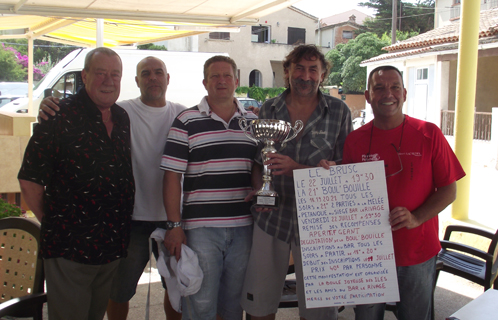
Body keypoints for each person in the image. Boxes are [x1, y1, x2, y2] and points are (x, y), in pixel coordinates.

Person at [38, 56, 185, 320]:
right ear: (137, 80)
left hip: (172, 220)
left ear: (167, 78)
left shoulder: (183, 115)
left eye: (158, 72)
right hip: (129, 220)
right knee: (117, 292)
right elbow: (84, 108)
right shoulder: (120, 111)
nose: (153, 77)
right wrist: (50, 104)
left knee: (175, 290)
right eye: (146, 73)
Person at [320, 65, 466, 320]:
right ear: (368, 96)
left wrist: (416, 218)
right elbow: (349, 195)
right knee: (366, 317)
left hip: (416, 250)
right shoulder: (355, 140)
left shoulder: (429, 133)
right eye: (379, 88)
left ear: (405, 93)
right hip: (368, 253)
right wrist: (331, 176)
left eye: (395, 87)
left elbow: (449, 190)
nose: (388, 93)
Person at [18, 47, 135, 320]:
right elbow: (29, 180)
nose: (108, 81)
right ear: (84, 76)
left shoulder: (121, 118)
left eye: (114, 74)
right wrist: (58, 223)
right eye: (100, 73)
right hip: (70, 249)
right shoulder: (58, 115)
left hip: (110, 247)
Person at [240, 44, 352, 320]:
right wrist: (259, 190)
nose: (305, 75)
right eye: (299, 68)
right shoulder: (270, 107)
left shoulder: (339, 111)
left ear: (323, 74)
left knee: (319, 312)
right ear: (287, 71)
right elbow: (258, 162)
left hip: (319, 224)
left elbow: (345, 170)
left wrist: (297, 169)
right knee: (259, 306)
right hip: (272, 220)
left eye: (313, 69)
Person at [160, 55, 258, 320]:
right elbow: (171, 177)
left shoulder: (253, 123)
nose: (221, 81)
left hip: (243, 227)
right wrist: (174, 226)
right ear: (205, 82)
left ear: (237, 80)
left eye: (227, 75)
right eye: (215, 76)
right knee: (200, 306)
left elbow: (259, 168)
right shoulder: (186, 121)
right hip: (201, 229)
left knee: (233, 307)